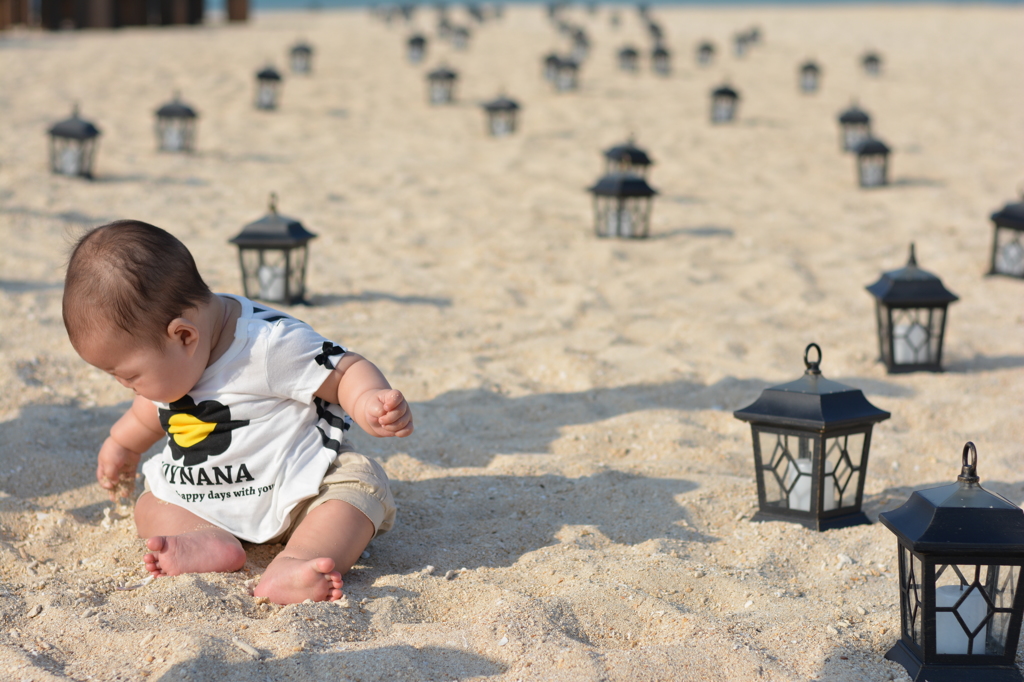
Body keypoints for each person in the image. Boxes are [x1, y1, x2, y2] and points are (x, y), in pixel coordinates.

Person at [62, 220, 411, 605]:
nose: (127, 386)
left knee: (362, 484)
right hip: (203, 500)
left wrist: (367, 400)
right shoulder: (172, 361)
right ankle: (206, 540)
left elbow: (343, 370)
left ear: (183, 336)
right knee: (150, 505)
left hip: (295, 492)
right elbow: (151, 409)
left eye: (129, 376)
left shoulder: (269, 345)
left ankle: (298, 560)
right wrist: (122, 444)